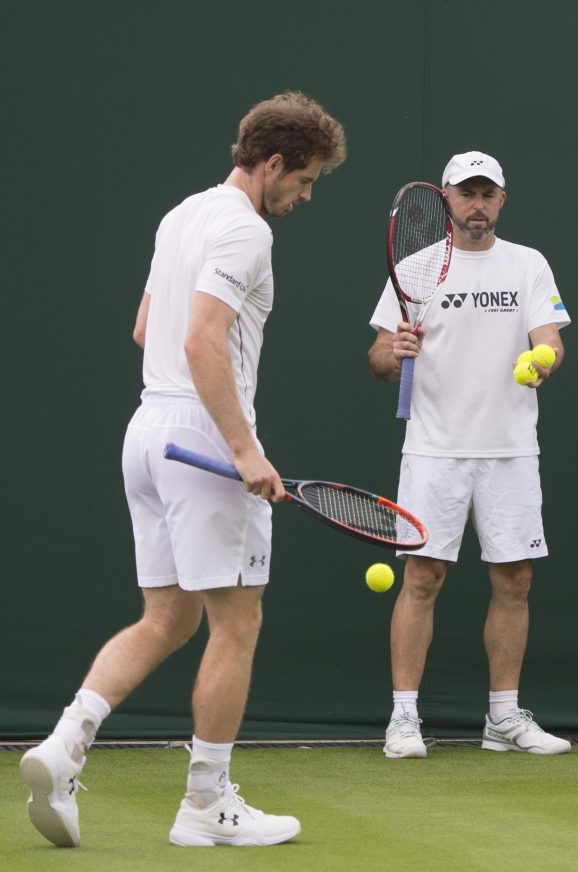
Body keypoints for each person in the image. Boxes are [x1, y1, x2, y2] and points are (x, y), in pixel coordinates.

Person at [20, 91, 346, 846]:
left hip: (148, 431)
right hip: (201, 437)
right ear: (272, 163)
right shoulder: (245, 232)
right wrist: (243, 449)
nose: (303, 197)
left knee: (168, 616)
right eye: (303, 181)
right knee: (237, 621)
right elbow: (203, 342)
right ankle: (207, 805)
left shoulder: (181, 215)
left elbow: (146, 328)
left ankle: (66, 744)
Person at [368, 151, 571, 758]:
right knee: (422, 577)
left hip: (510, 451)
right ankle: (404, 719)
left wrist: (543, 363)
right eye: (465, 193)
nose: (476, 204)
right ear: (447, 199)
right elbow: (378, 357)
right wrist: (395, 349)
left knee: (515, 578)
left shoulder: (528, 265)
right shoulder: (416, 267)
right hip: (434, 450)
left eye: (487, 193)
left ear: (502, 200)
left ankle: (503, 718)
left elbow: (551, 341)